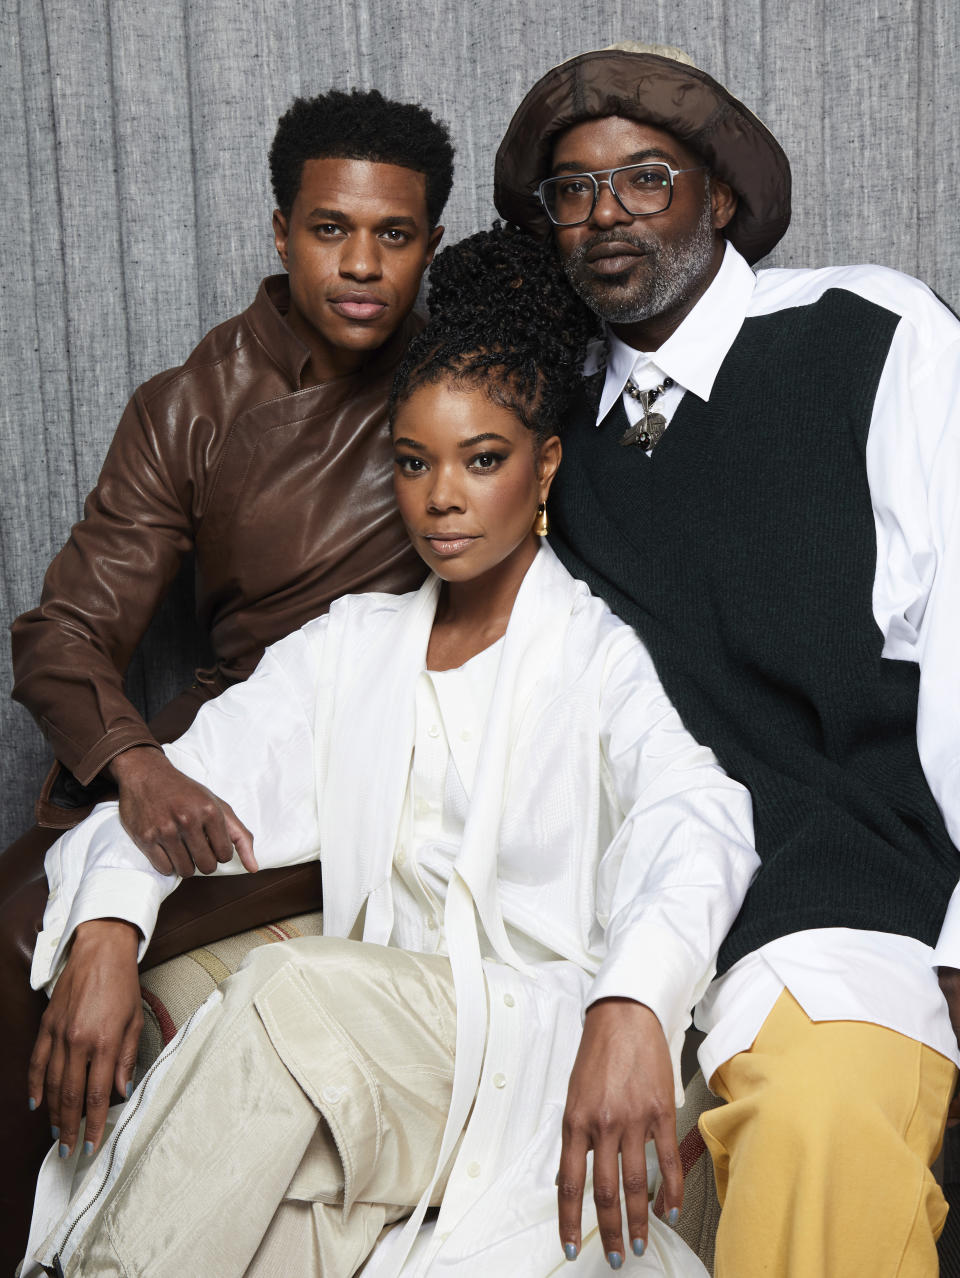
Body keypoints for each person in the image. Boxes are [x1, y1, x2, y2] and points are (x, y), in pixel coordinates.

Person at [22, 226, 757, 1278]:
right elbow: (185, 786)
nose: (442, 496)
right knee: (267, 1237)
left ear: (544, 464)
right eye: (414, 463)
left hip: (531, 1042)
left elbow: (701, 812)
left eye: (483, 460)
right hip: (380, 1067)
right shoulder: (349, 650)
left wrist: (634, 999)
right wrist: (103, 923)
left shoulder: (594, 655)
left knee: (285, 997)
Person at [494, 42, 960, 1278]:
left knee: (821, 1129)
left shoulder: (868, 335)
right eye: (575, 191)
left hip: (838, 901)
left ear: (723, 195)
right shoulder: (533, 435)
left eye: (647, 178)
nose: (607, 215)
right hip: (614, 923)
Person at [9, 86, 452, 876]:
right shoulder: (187, 408)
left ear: (431, 245)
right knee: (19, 923)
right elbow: (63, 633)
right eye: (329, 229)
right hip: (235, 736)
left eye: (394, 234)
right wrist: (143, 769)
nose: (360, 263)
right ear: (283, 235)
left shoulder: (467, 390)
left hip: (414, 754)